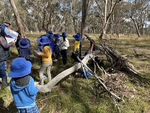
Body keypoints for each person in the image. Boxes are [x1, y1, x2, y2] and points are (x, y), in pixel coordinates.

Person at [0, 23, 16, 87]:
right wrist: (12, 43)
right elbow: (6, 46)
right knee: (3, 72)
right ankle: (4, 85)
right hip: (1, 58)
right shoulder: (1, 38)